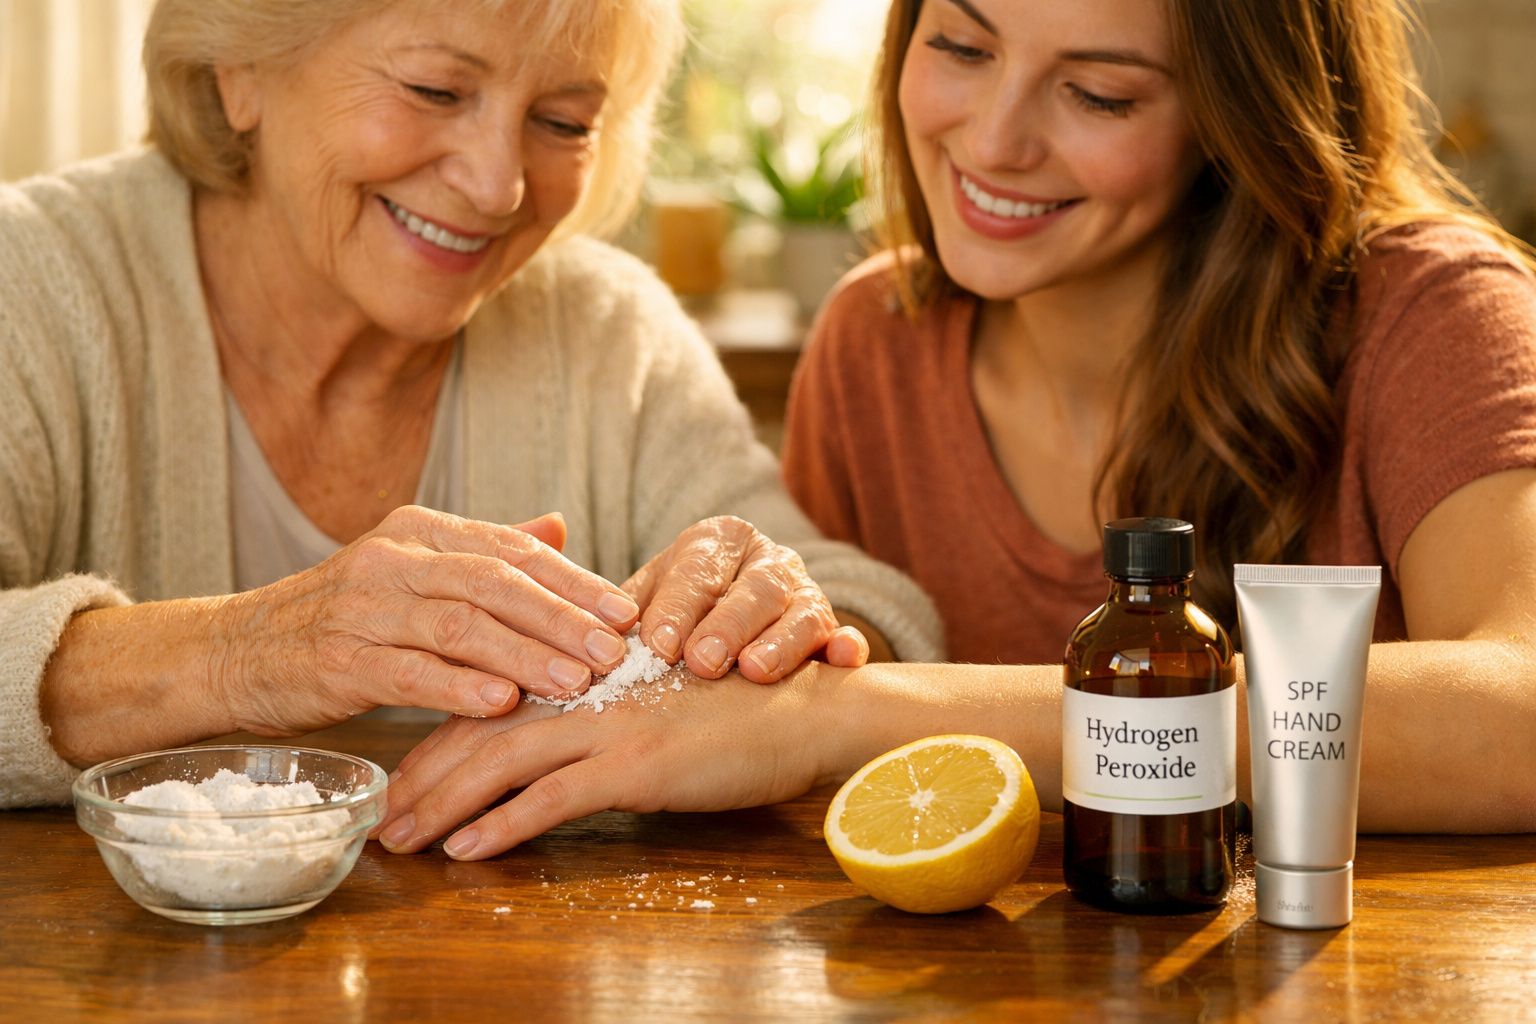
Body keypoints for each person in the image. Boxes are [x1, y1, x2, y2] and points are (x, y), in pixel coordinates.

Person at [376, 0, 1536, 860]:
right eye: (963, 48)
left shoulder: (1429, 313)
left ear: (1240, 123)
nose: (992, 140)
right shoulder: (874, 339)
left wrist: (850, 720)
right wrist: (775, 648)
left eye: (1100, 94)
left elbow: (1522, 712)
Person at [0, 0, 945, 809]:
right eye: (435, 91)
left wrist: (778, 619)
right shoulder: (31, 281)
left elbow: (865, 611)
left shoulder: (609, 329)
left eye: (565, 121)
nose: (500, 187)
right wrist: (254, 651)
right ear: (241, 67)